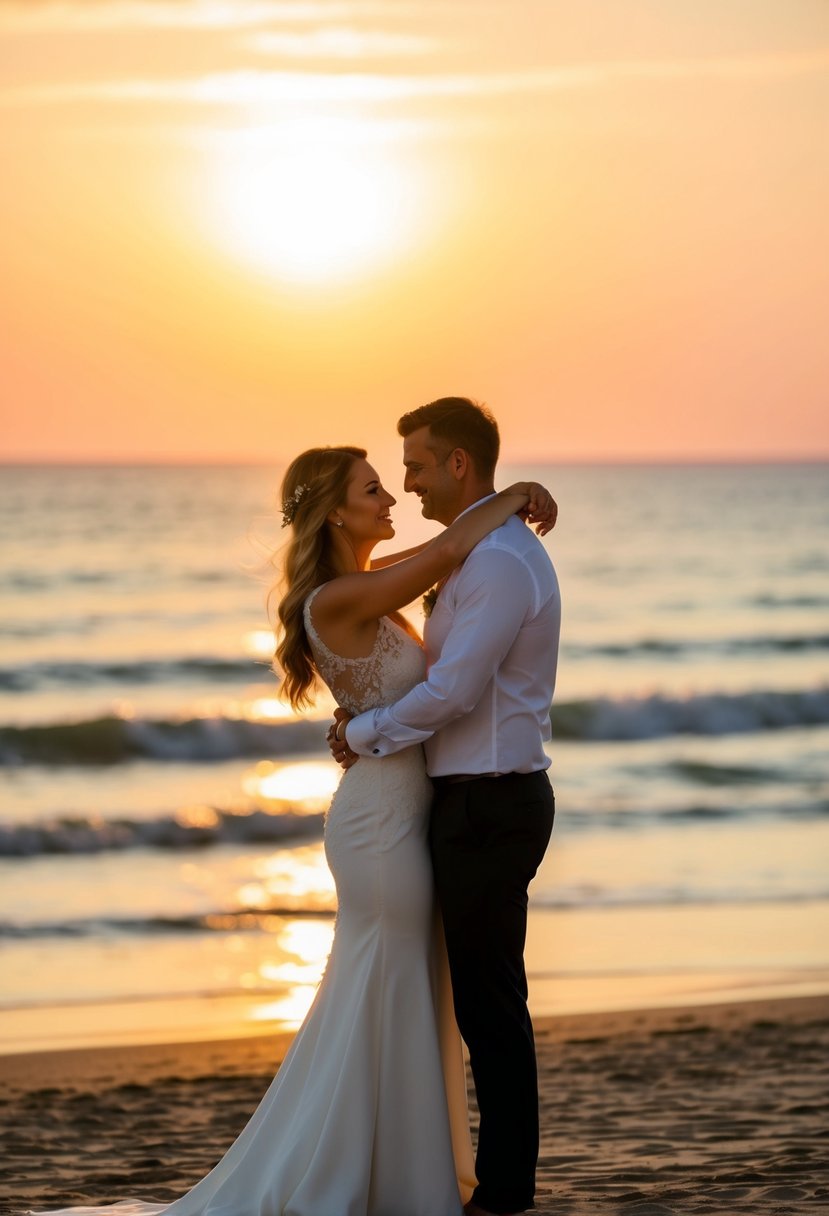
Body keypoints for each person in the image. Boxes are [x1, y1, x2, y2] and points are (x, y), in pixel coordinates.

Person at [30, 443, 556, 1216]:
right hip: (379, 821)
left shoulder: (363, 586)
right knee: (386, 982)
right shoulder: (334, 601)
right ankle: (372, 1175)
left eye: (393, 483)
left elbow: (442, 549)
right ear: (334, 511)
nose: (391, 499)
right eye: (373, 489)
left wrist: (502, 506)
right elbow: (449, 547)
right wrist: (512, 491)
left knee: (402, 985)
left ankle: (401, 1171)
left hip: (406, 809)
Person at [329, 399, 561, 1216]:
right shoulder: (477, 552)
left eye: (417, 465)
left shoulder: (498, 563)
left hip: (491, 804)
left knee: (489, 1002)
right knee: (478, 997)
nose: (407, 483)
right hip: (467, 801)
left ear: (459, 464)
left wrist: (366, 731)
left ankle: (503, 1195)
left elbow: (455, 689)